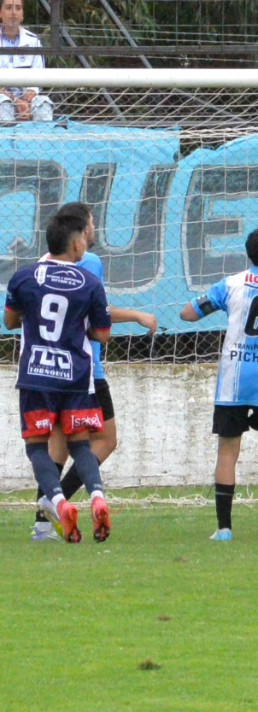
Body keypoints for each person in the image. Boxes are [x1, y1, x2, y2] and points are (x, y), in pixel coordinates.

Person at [30, 202, 158, 542]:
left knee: (58, 444)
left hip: (47, 369)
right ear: (80, 232)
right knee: (105, 439)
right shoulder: (87, 263)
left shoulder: (40, 267)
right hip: (86, 370)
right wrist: (137, 316)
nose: (95, 228)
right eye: (91, 222)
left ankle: (43, 523)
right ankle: (56, 502)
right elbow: (98, 315)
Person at [180, 227, 258, 541]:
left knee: (227, 452)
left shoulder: (231, 284)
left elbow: (188, 314)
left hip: (233, 380)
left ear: (249, 254)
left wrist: (212, 304)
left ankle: (224, 528)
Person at [5, 212, 111, 543]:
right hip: (76, 376)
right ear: (76, 243)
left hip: (37, 376)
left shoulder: (23, 278)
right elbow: (103, 334)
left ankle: (59, 502)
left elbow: (10, 321)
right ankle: (97, 497)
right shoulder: (90, 283)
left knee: (37, 447)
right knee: (80, 444)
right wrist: (80, 329)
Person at [0, 0, 53, 123]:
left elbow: (38, 77)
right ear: (0, 13)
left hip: (27, 100)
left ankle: (42, 135)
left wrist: (28, 98)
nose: (14, 12)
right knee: (4, 105)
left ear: (22, 14)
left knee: (43, 104)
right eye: (9, 7)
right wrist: (15, 100)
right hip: (3, 97)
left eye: (18, 8)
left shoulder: (33, 41)